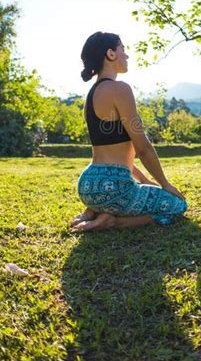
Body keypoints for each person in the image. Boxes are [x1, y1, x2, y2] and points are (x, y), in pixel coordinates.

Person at [70, 31, 188, 232]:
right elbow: (142, 148)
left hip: (88, 186)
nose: (127, 55)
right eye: (123, 49)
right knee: (178, 206)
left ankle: (96, 210)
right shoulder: (120, 89)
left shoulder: (91, 95)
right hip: (115, 187)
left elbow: (114, 150)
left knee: (132, 195)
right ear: (111, 54)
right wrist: (165, 185)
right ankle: (113, 221)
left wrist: (143, 180)